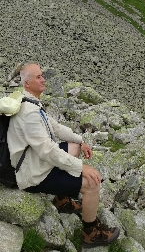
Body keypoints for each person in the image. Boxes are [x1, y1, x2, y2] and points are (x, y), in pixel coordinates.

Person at [8, 63, 119, 247]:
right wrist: (81, 167)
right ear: (27, 83)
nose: (43, 79)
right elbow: (48, 151)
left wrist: (81, 141)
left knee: (74, 146)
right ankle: (90, 233)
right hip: (34, 175)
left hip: (35, 161)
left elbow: (56, 128)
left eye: (42, 75)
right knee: (92, 184)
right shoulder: (30, 114)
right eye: (38, 77)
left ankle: (61, 198)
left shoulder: (29, 101)